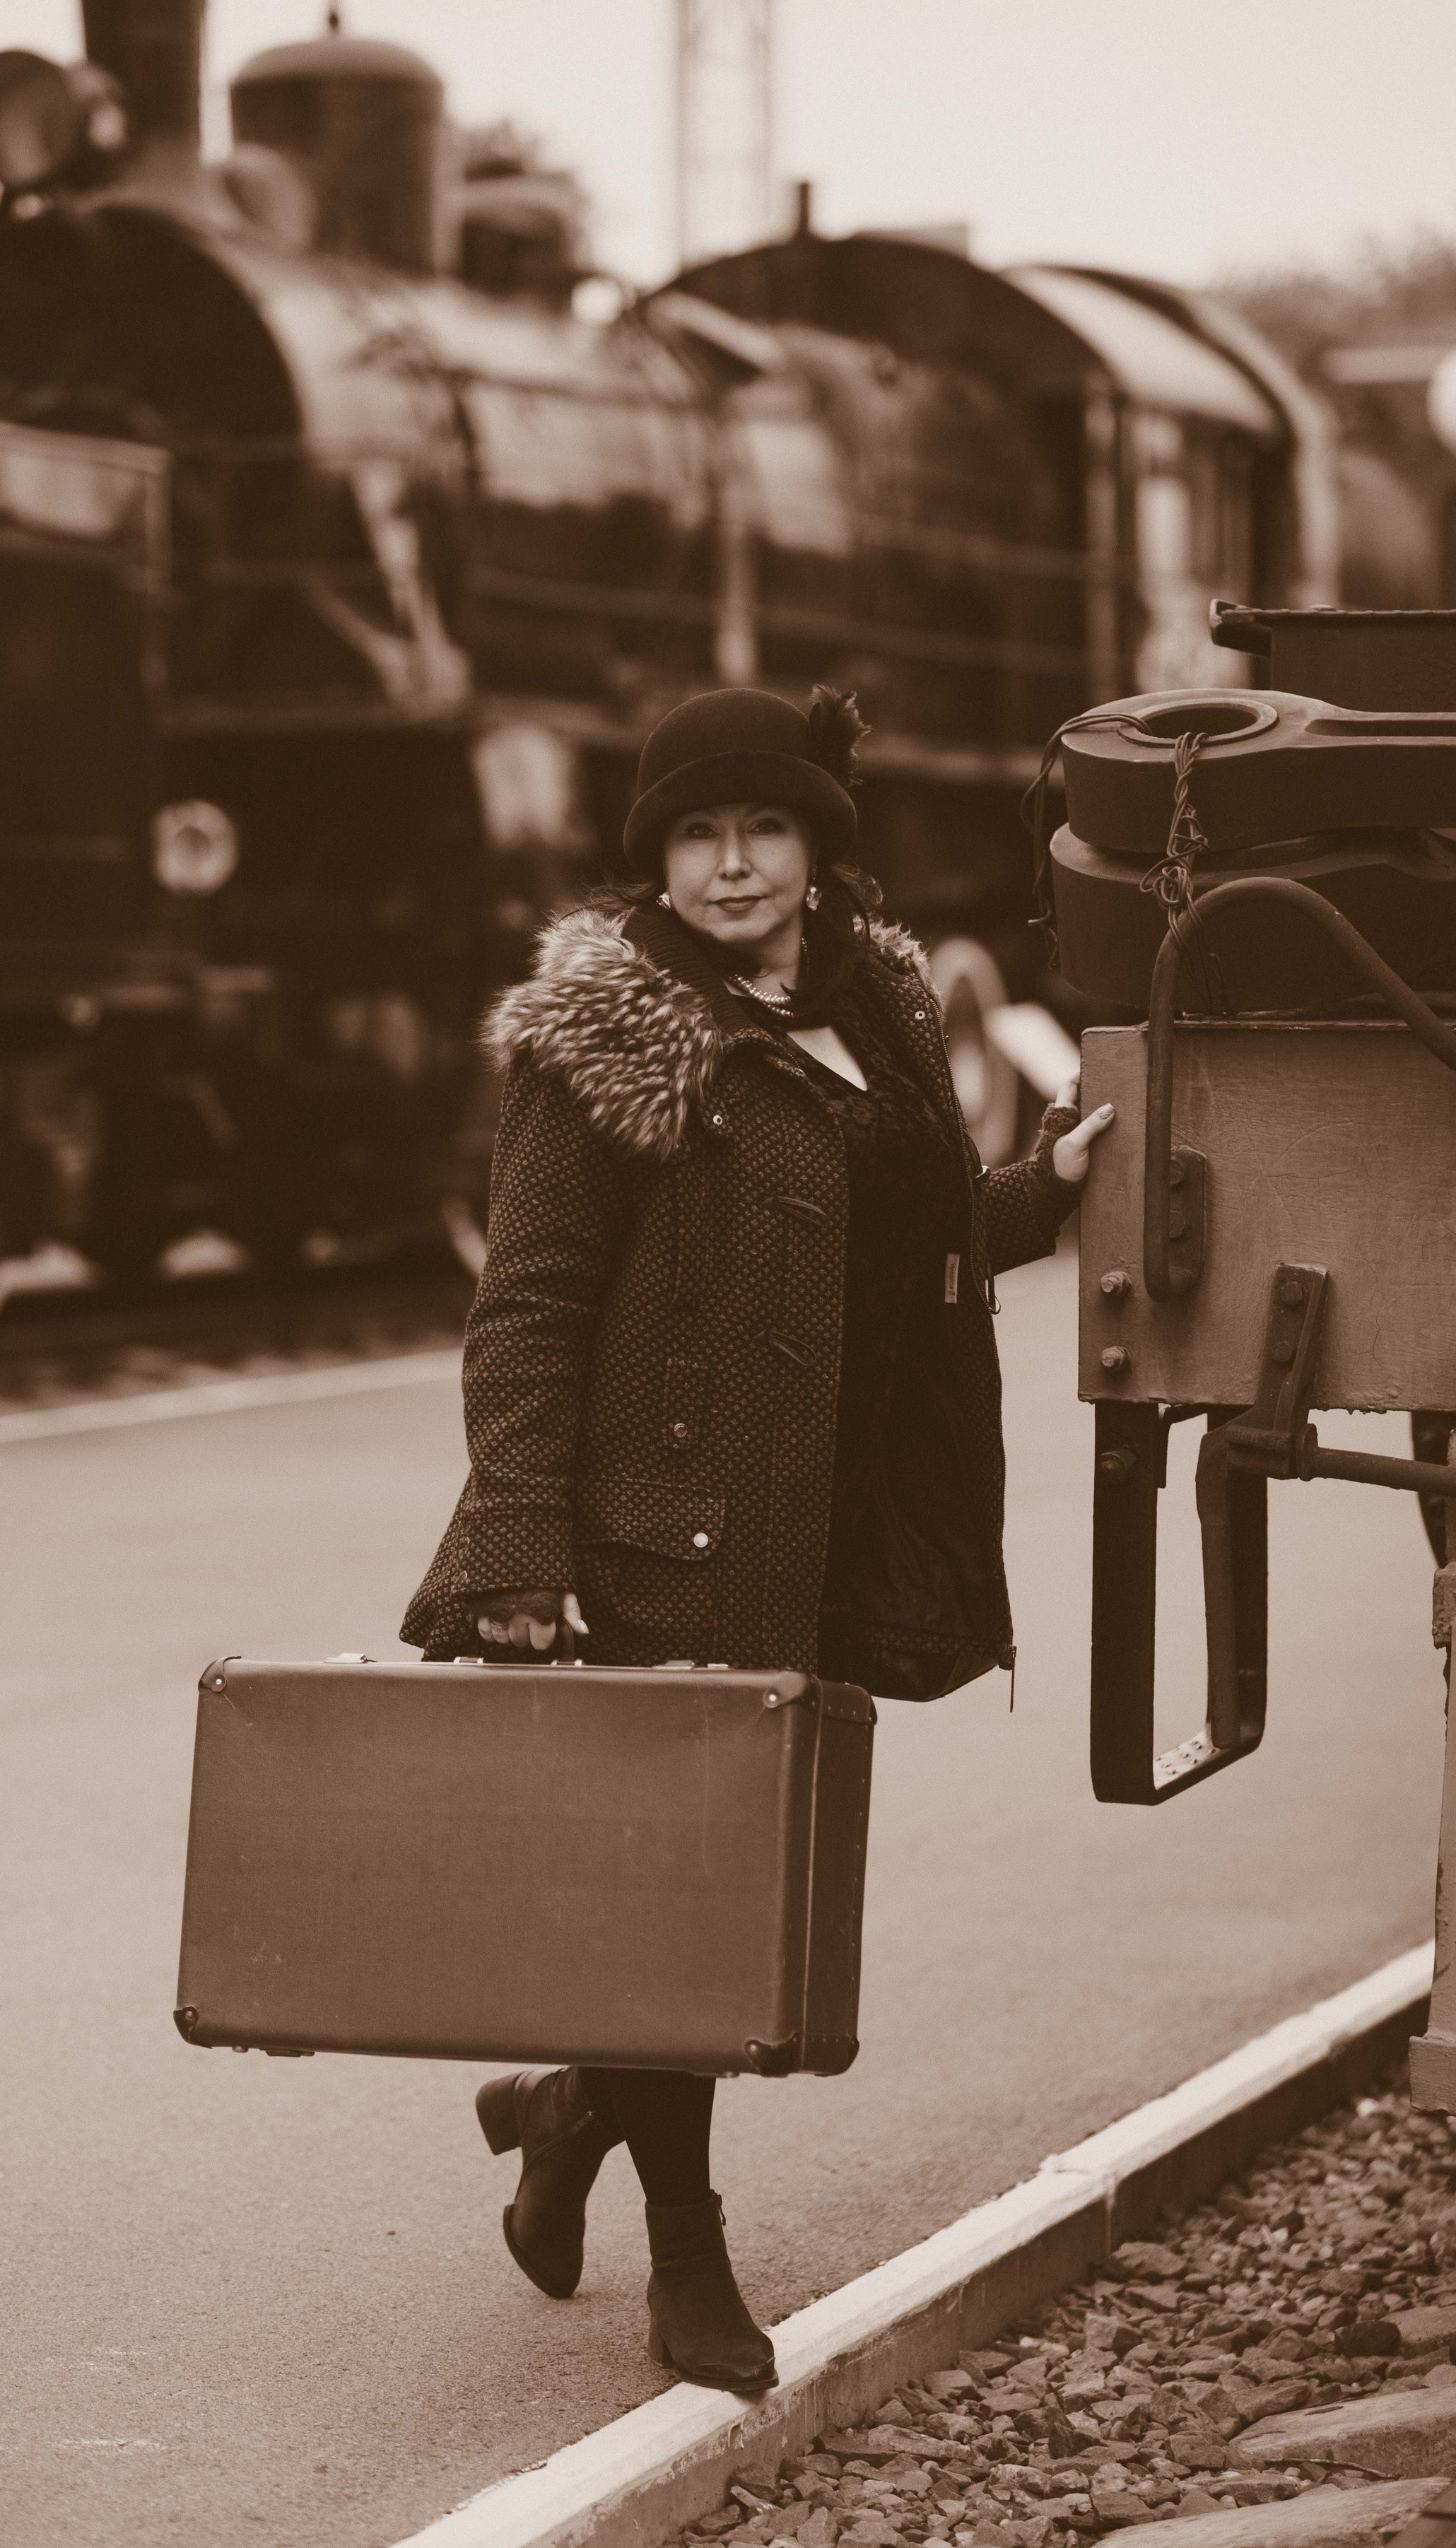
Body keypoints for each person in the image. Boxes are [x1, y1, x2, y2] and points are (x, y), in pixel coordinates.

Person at [401, 683, 1114, 2395]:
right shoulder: (608, 1034)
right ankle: (687, 2256)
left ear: (815, 847)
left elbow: (903, 1245)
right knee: (683, 1910)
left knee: (740, 1903)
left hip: (826, 1521)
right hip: (665, 1527)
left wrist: (1044, 1188)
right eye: (696, 836)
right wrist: (515, 1546)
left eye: (763, 828)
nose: (730, 865)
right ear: (656, 860)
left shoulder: (876, 1000)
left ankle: (567, 2114)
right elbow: (526, 1307)